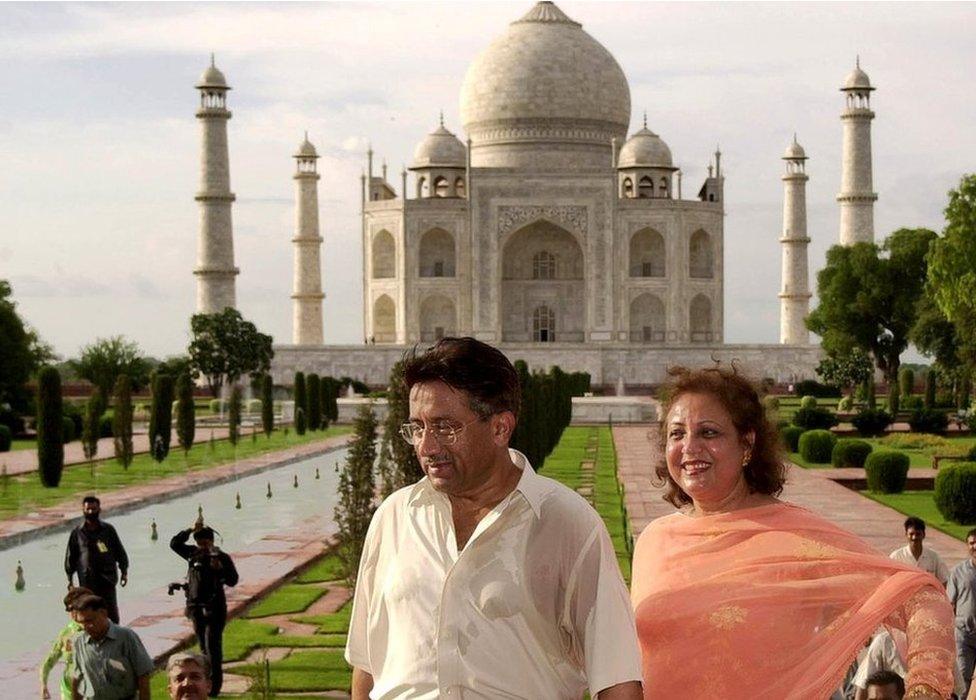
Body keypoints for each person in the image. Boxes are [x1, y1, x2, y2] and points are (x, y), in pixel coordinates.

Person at [631, 366, 955, 699]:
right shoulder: (655, 541)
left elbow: (921, 598)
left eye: (709, 433)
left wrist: (926, 687)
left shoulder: (797, 537)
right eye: (677, 433)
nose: (690, 447)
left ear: (747, 444)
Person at [345, 337, 643, 699]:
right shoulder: (394, 517)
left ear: (500, 428)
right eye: (417, 428)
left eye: (445, 427)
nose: (427, 447)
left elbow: (617, 678)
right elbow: (368, 665)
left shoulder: (566, 523)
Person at [170, 524, 238, 698]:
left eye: (205, 542)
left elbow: (233, 580)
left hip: (214, 608)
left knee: (212, 648)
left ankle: (214, 688)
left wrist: (219, 568)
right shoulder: (193, 554)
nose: (203, 546)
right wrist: (190, 529)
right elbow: (174, 544)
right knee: (202, 649)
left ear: (212, 541)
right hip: (196, 608)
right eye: (199, 542)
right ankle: (204, 683)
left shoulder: (221, 556)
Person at [69, 594, 152, 700]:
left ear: (103, 613)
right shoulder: (79, 642)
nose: (86, 627)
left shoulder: (126, 637)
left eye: (90, 621)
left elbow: (143, 675)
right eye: (82, 623)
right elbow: (77, 678)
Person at [64, 495, 129, 623]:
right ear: (83, 510)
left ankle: (114, 638)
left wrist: (124, 570)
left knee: (110, 612)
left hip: (107, 578)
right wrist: (70, 579)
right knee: (89, 612)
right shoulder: (77, 533)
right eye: (88, 509)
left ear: (99, 509)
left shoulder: (108, 530)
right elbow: (70, 557)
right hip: (87, 580)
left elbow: (119, 551)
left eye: (93, 509)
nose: (90, 512)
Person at [40, 587, 92, 700]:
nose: (73, 614)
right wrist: (43, 685)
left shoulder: (98, 630)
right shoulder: (67, 633)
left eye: (75, 609)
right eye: (70, 610)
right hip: (68, 690)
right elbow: (49, 661)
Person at [948, 529, 976, 698]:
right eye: (972, 543)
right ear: (967, 546)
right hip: (964, 635)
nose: (975, 546)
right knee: (962, 678)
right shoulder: (958, 572)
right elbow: (950, 603)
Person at [890, 517, 950, 585]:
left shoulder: (933, 557)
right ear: (906, 534)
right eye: (911, 534)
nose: (914, 537)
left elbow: (945, 581)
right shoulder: (896, 557)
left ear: (923, 535)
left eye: (918, 534)